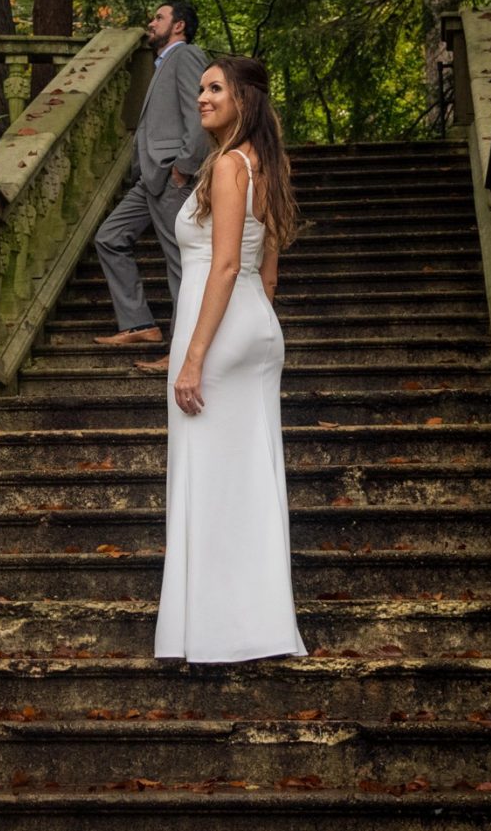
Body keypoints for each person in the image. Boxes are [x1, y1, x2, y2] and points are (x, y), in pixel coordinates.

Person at [154, 55, 307, 664]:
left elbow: (220, 265)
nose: (202, 97)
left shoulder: (226, 167)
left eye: (215, 88)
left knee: (211, 478)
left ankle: (217, 629)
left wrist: (192, 359)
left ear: (244, 97)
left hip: (216, 332)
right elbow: (264, 271)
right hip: (252, 326)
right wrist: (251, 323)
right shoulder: (263, 164)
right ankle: (254, 619)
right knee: (248, 477)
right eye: (200, 89)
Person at [92, 0, 211, 372]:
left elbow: (198, 113)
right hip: (148, 179)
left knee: (181, 265)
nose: (151, 22)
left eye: (159, 17)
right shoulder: (162, 63)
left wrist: (184, 168)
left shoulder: (187, 55)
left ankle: (181, 355)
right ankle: (140, 324)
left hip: (171, 177)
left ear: (178, 26)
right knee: (109, 237)